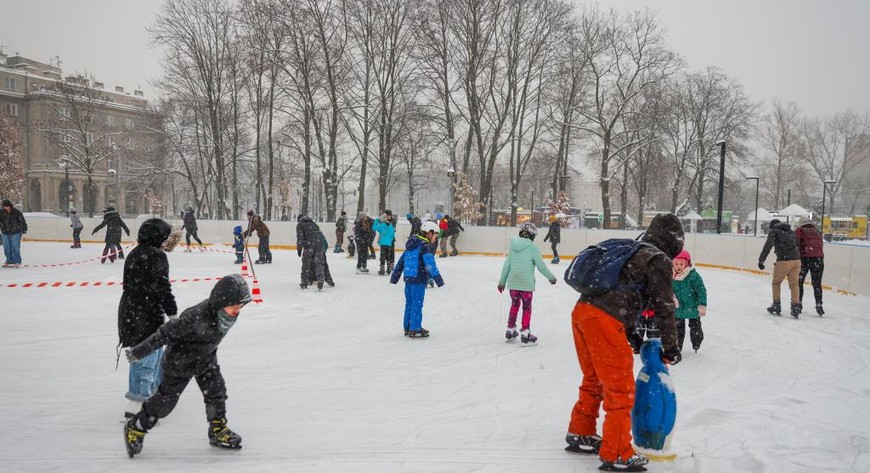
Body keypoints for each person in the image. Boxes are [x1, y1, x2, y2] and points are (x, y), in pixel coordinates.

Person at [565, 213, 684, 472]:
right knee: (620, 389)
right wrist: (671, 346)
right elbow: (665, 307)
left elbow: (624, 294)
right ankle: (617, 451)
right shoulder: (658, 259)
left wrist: (631, 335)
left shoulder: (633, 251)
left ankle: (580, 430)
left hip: (583, 312)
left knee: (594, 378)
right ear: (674, 242)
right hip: (604, 319)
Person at [123, 274, 252, 457]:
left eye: (240, 306)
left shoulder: (224, 314)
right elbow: (164, 334)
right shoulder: (195, 318)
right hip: (179, 362)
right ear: (220, 302)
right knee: (164, 404)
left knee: (216, 392)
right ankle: (135, 427)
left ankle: (217, 429)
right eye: (234, 306)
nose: (237, 310)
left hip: (205, 358)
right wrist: (138, 352)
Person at [118, 218, 179, 418]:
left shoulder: (134, 253)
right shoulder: (157, 256)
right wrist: (172, 311)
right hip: (146, 314)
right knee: (147, 357)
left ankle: (150, 396)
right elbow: (162, 287)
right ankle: (138, 404)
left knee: (142, 354)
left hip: (129, 311)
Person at [497, 222, 557, 345]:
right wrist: (551, 277)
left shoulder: (513, 247)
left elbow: (506, 266)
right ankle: (525, 333)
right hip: (526, 285)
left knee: (514, 305)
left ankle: (510, 329)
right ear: (532, 236)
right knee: (526, 307)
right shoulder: (533, 248)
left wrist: (502, 282)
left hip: (513, 283)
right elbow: (541, 266)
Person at [390, 221, 444, 337]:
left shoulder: (411, 245)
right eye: (435, 235)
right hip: (419, 279)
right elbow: (430, 264)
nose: (435, 239)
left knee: (409, 303)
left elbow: (401, 262)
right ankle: (415, 328)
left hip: (408, 279)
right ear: (429, 233)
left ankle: (408, 327)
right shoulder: (425, 246)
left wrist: (395, 276)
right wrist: (438, 279)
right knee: (417, 304)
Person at [758, 218, 802, 318]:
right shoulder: (791, 232)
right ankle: (795, 306)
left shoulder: (774, 231)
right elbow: (798, 245)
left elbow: (768, 245)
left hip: (784, 261)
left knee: (776, 283)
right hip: (796, 260)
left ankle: (776, 305)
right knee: (794, 284)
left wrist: (761, 260)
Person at [672, 249, 707, 353]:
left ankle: (696, 342)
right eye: (676, 264)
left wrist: (702, 305)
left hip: (693, 307)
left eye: (681, 264)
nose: (678, 266)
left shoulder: (693, 276)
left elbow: (701, 291)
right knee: (678, 330)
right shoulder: (670, 275)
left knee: (695, 328)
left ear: (687, 263)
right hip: (678, 309)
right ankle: (677, 348)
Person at [794, 218, 825, 316]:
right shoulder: (817, 231)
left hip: (805, 259)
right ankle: (819, 305)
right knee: (817, 284)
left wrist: (797, 256)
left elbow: (796, 244)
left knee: (799, 282)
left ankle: (798, 304)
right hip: (818, 259)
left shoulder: (800, 230)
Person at [296, 215, 331, 289]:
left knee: (306, 264)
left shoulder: (300, 225)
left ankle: (304, 282)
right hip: (319, 246)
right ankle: (320, 279)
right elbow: (320, 236)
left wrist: (299, 249)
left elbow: (300, 238)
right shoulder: (314, 224)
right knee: (319, 264)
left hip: (308, 246)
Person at [0, 199, 27, 268]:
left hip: (16, 232)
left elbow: (22, 221)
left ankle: (17, 261)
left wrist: (24, 229)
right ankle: (9, 260)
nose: (5, 208)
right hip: (5, 232)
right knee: (7, 247)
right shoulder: (1, 212)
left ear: (10, 206)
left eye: (7, 206)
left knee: (15, 247)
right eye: (4, 206)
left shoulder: (16, 212)